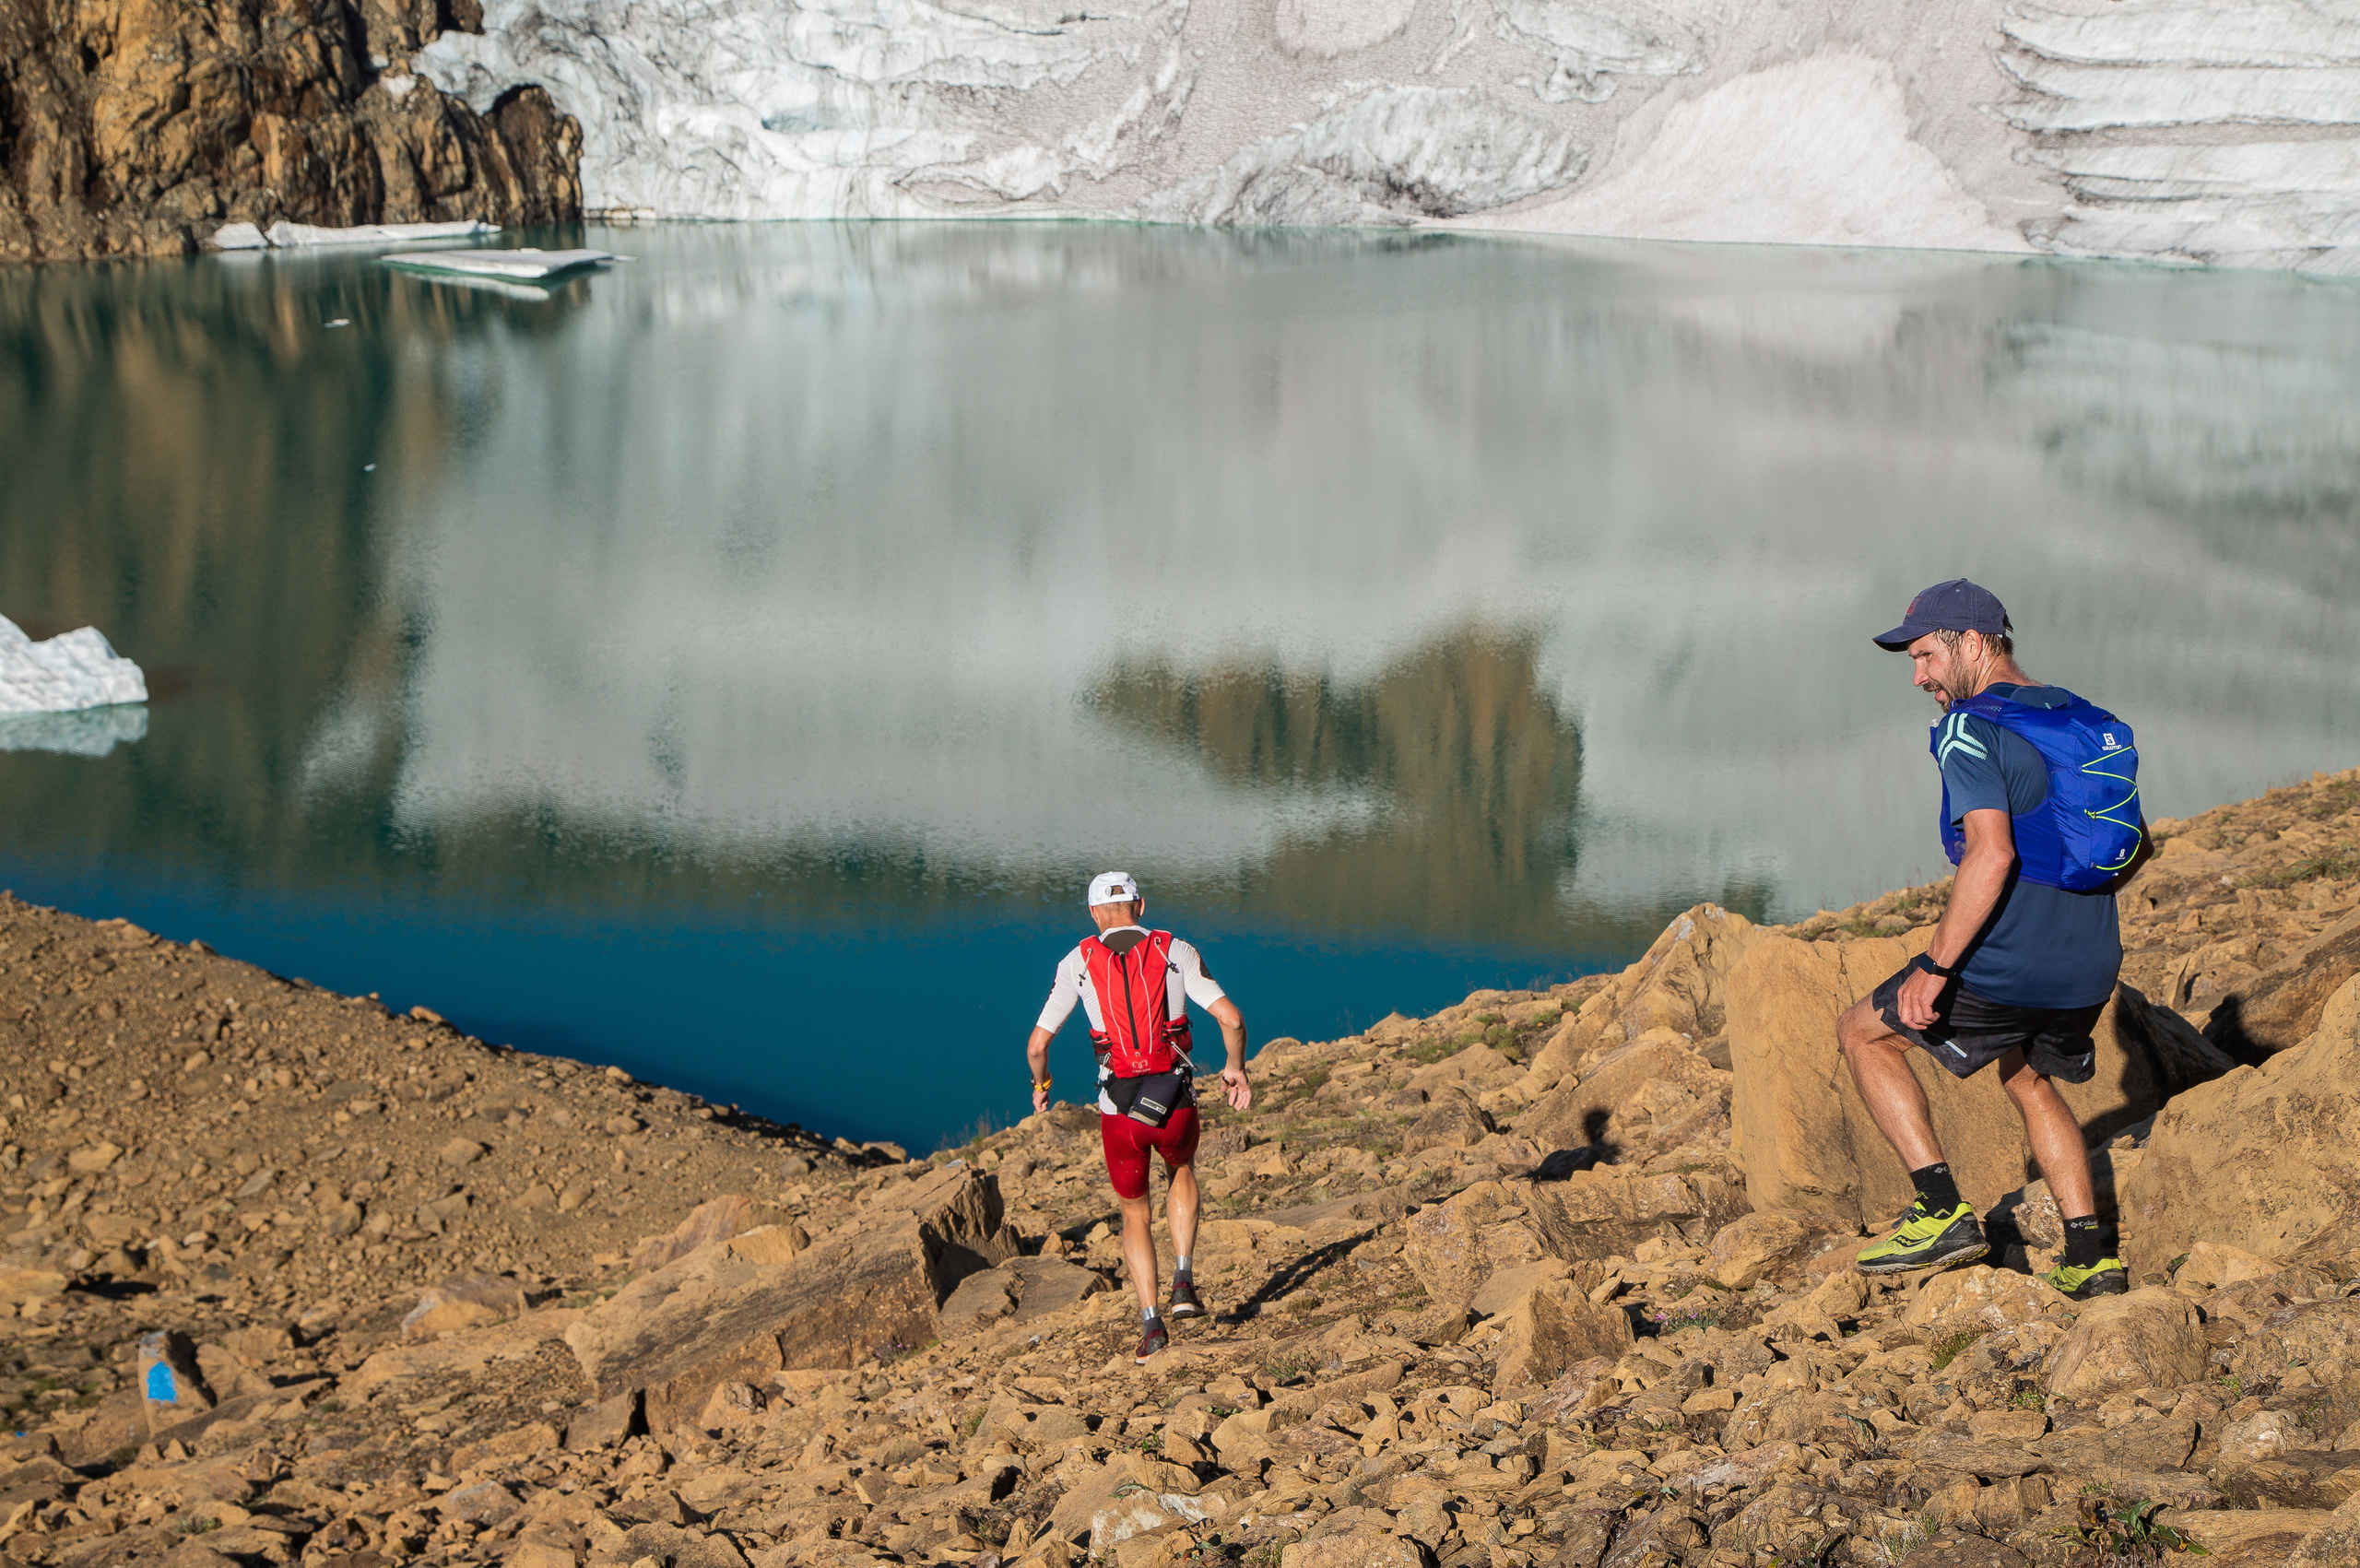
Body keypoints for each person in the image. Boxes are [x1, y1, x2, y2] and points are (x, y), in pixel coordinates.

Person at [1840, 580, 2146, 1300]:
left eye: (1924, 656)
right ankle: (2089, 1255)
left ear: (1973, 643)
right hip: (2091, 963)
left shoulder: (1969, 728)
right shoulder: (2083, 717)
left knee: (1862, 1032)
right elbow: (2133, 846)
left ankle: (1941, 1208)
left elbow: (1992, 854)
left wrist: (1935, 968)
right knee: (2028, 1076)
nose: (1918, 677)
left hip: (2013, 962)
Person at [1028, 872, 1252, 1362]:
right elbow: (1231, 1019)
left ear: (1093, 914)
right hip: (1173, 1101)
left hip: (1118, 1111)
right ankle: (1185, 1282)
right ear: (1141, 905)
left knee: (1134, 1211)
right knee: (1181, 1170)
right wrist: (1235, 1069)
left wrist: (1042, 1087)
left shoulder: (1076, 962)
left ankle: (1151, 1324)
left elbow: (1038, 1046)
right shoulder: (1177, 950)